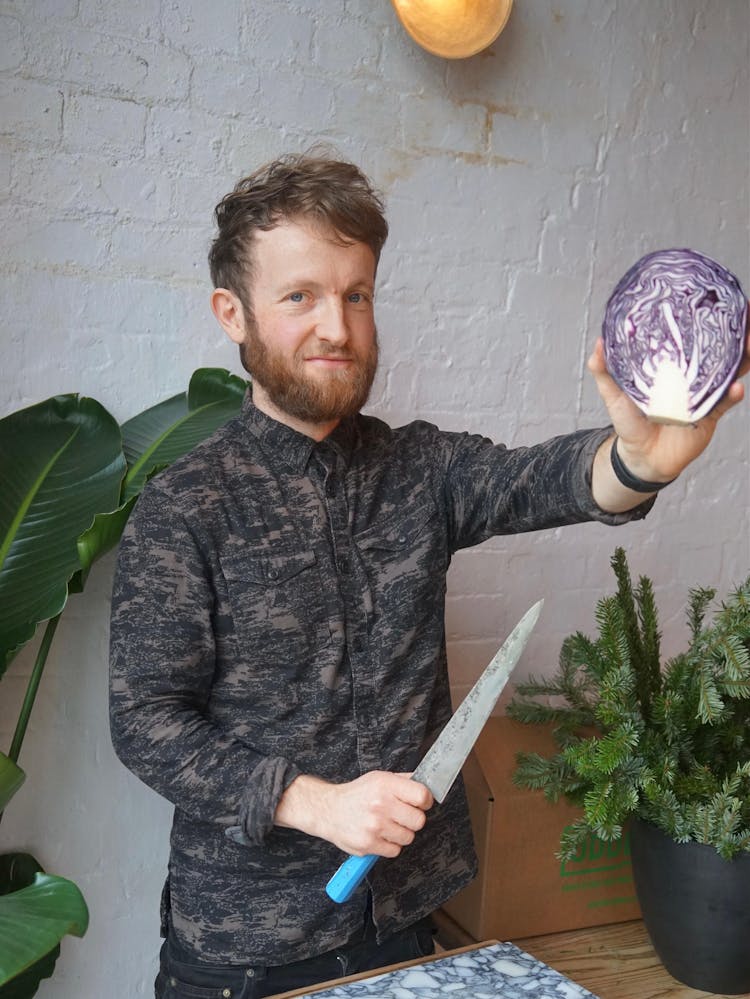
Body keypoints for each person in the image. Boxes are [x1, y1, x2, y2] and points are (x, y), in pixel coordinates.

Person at [109, 152, 748, 999]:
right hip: (240, 957)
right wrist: (312, 801)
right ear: (234, 312)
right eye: (299, 296)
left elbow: (540, 480)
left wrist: (638, 462)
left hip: (407, 931)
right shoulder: (184, 506)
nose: (335, 326)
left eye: (356, 294)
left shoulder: (421, 468)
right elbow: (144, 719)